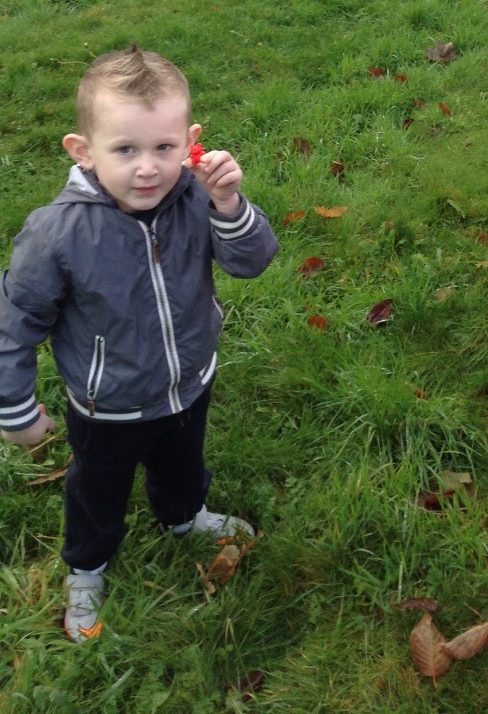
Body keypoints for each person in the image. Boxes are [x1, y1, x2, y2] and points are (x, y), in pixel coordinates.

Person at [0, 46, 279, 641]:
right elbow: (16, 320)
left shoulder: (197, 198)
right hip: (107, 406)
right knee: (97, 492)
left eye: (163, 147)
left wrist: (229, 204)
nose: (148, 168)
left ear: (191, 142)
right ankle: (87, 565)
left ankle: (184, 515)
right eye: (125, 150)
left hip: (188, 383)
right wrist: (14, 409)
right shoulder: (57, 233)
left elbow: (252, 262)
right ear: (83, 150)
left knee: (183, 464)